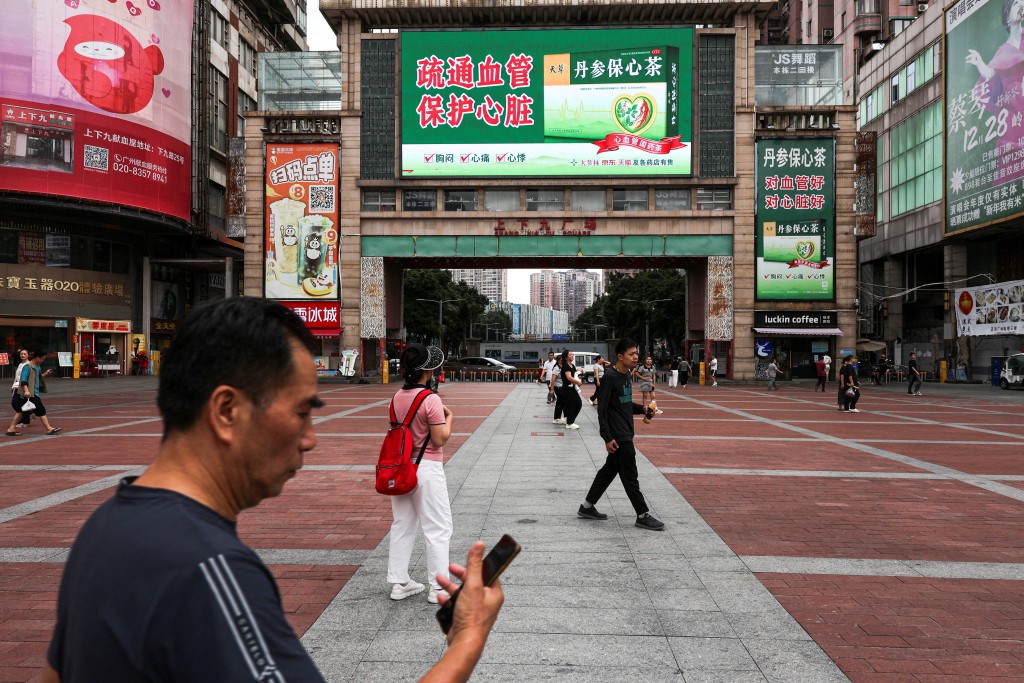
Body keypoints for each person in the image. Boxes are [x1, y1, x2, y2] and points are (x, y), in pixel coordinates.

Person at [41, 298, 503, 683]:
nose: (310, 437)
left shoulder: (103, 526)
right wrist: (467, 642)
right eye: (301, 412)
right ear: (227, 410)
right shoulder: (212, 570)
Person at [387, 343, 454, 605]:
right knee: (438, 528)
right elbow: (439, 439)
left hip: (400, 468)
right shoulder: (430, 399)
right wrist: (450, 417)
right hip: (426, 469)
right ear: (427, 370)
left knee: (402, 524)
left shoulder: (395, 397)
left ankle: (399, 583)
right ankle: (439, 588)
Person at [578, 339, 664, 531]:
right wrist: (607, 437)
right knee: (630, 475)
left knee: (609, 471)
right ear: (620, 356)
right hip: (619, 436)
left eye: (636, 354)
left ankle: (586, 506)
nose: (636, 357)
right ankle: (642, 515)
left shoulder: (625, 376)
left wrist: (642, 409)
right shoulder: (610, 378)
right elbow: (602, 409)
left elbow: (624, 404)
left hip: (625, 431)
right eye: (631, 354)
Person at [966, 0, 1024, 185]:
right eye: (1015, 3)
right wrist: (979, 63)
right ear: (1007, 17)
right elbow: (990, 73)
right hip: (1013, 118)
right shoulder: (1002, 51)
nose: (1020, 5)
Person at [6, 351, 61, 436]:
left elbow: (38, 377)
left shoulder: (37, 367)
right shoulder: (27, 367)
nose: (43, 360)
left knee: (21, 411)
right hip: (30, 393)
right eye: (42, 359)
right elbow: (23, 380)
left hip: (33, 392)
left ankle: (11, 428)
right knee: (41, 410)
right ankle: (49, 428)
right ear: (37, 357)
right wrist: (26, 391)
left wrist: (46, 373)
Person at [559, 350, 584, 430]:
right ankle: (569, 423)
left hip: (572, 388)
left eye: (572, 354)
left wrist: (578, 377)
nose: (572, 355)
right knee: (571, 405)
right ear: (566, 357)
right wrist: (578, 382)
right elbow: (569, 377)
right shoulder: (565, 366)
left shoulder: (572, 366)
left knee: (578, 404)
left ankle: (568, 419)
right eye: (570, 355)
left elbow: (574, 376)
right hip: (567, 388)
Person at [8, 349, 31, 433]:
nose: (23, 355)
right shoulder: (20, 364)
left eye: (25, 354)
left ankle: (25, 421)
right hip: (17, 386)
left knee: (22, 403)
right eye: (21, 354)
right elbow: (16, 377)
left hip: (24, 387)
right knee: (14, 403)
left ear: (28, 355)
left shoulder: (29, 364)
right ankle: (28, 414)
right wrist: (13, 386)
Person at [550, 354, 565, 424]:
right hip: (558, 387)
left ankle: (558, 417)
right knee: (560, 402)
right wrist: (552, 390)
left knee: (561, 402)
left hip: (563, 387)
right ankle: (556, 418)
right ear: (559, 360)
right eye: (562, 359)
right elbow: (553, 379)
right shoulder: (556, 368)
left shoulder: (563, 366)